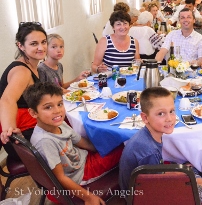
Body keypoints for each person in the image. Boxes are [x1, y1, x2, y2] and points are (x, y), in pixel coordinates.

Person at [25, 82, 123, 205]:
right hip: (80, 174)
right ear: (33, 113)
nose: (57, 111)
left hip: (82, 158)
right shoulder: (45, 141)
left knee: (115, 144)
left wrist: (102, 150)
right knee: (124, 148)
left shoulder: (60, 123)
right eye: (48, 107)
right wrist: (88, 197)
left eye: (60, 104)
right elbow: (60, 178)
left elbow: (82, 142)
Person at [119, 87, 202, 203]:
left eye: (171, 111)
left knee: (190, 170)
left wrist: (177, 173)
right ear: (145, 118)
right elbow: (153, 192)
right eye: (161, 114)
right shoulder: (149, 151)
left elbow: (153, 175)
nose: (169, 119)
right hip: (141, 198)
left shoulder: (148, 136)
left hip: (144, 187)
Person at [0, 22, 47, 159]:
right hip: (21, 138)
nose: (41, 47)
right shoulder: (22, 71)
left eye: (43, 42)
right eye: (34, 44)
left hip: (29, 125)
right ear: (20, 46)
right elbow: (7, 99)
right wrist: (11, 130)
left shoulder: (33, 66)